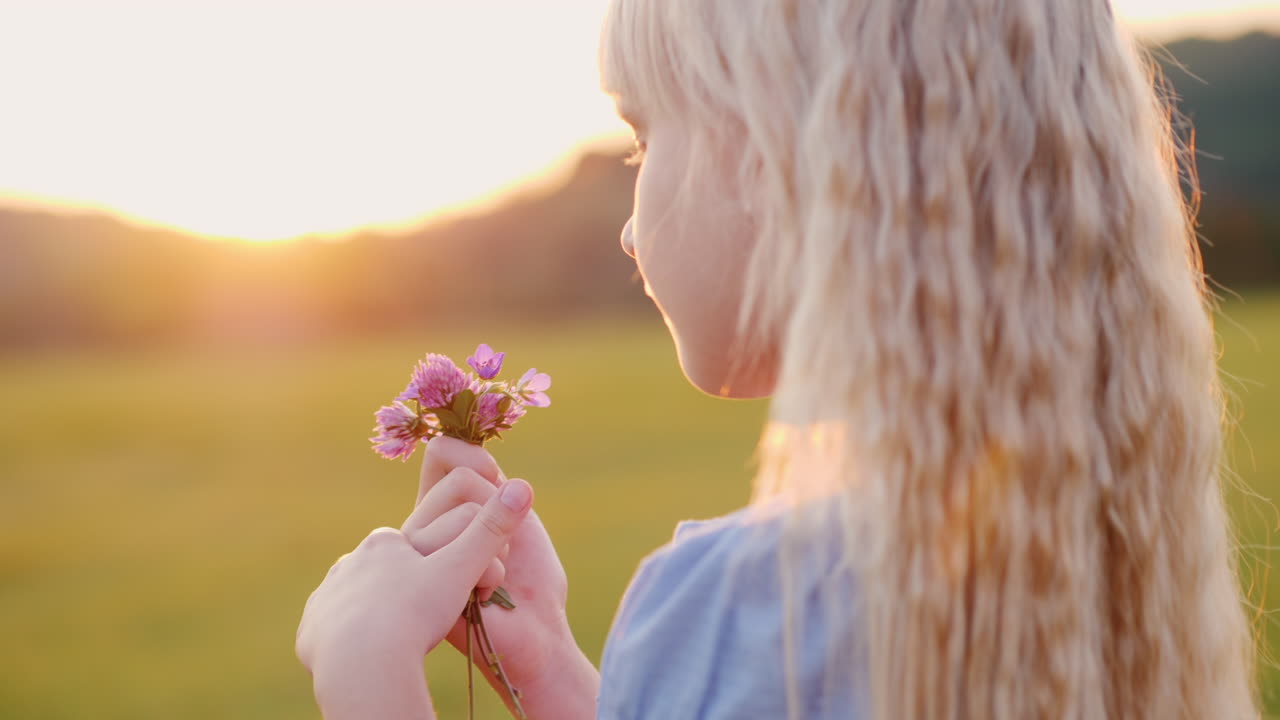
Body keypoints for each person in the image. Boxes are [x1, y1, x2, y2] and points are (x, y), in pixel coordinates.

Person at [295, 0, 1261, 717]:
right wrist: (555, 670)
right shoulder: (1084, 548)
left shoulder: (750, 608)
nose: (631, 232)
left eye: (643, 136)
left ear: (775, 153)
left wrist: (366, 669)